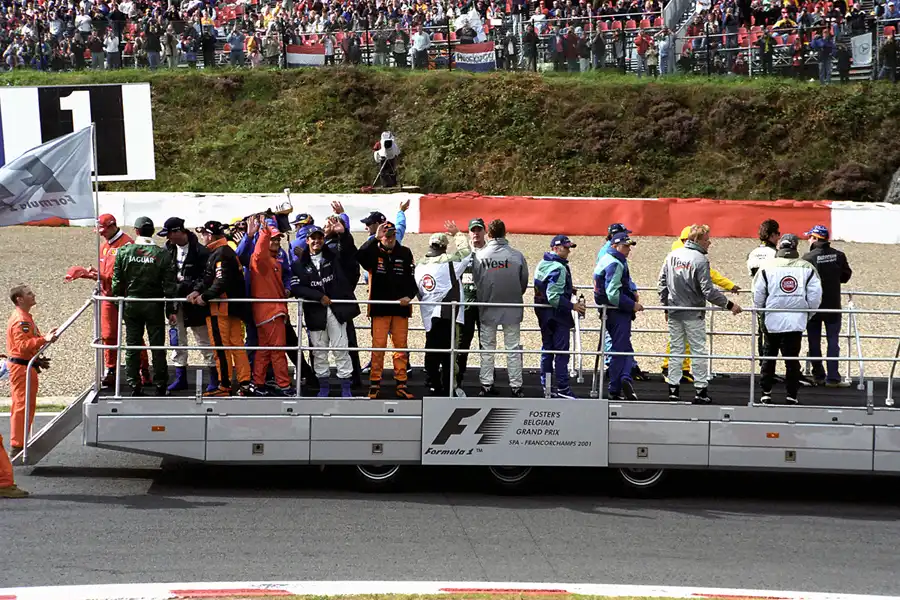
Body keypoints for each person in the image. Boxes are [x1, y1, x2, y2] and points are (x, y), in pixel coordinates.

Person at [658, 224, 743, 404]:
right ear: (697, 240)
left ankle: (673, 390)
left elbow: (662, 283)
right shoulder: (700, 260)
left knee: (676, 350)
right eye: (707, 240)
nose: (710, 243)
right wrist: (729, 305)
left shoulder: (671, 255)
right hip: (694, 312)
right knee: (698, 352)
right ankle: (700, 390)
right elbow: (708, 291)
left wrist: (665, 306)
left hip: (674, 311)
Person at [66, 213, 150, 388]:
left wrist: (98, 275)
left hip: (126, 296)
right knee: (108, 335)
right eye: (100, 230)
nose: (101, 233)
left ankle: (144, 370)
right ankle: (111, 370)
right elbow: (106, 274)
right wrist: (89, 274)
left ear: (113, 226)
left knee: (134, 336)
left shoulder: (127, 245)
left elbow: (126, 275)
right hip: (108, 296)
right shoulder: (104, 246)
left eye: (103, 229)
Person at [291, 218, 360, 397]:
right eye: (313, 238)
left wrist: (343, 234)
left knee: (341, 349)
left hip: (336, 312)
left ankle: (346, 388)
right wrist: (319, 296)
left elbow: (348, 254)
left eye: (320, 238)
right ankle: (323, 387)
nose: (317, 241)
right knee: (319, 352)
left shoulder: (333, 257)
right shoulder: (299, 264)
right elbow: (296, 287)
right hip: (315, 313)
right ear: (307, 240)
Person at [187, 221, 255, 397]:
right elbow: (210, 278)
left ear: (210, 235)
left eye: (204, 234)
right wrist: (197, 290)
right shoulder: (224, 251)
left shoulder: (221, 253)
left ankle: (224, 386)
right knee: (237, 346)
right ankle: (245, 383)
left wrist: (204, 296)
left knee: (221, 348)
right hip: (233, 309)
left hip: (221, 309)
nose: (203, 237)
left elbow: (220, 281)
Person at [111, 217, 178, 396]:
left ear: (136, 231)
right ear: (152, 232)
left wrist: (119, 303)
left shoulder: (124, 251)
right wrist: (171, 309)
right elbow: (170, 285)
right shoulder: (162, 254)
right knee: (157, 346)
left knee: (132, 345)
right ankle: (160, 385)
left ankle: (134, 384)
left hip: (132, 304)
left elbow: (117, 282)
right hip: (155, 305)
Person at [753, 234, 822, 404]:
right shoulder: (807, 267)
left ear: (779, 247)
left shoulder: (766, 266)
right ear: (795, 247)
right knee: (792, 360)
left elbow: (758, 294)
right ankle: (792, 395)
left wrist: (762, 312)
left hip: (772, 321)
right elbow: (815, 296)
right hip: (795, 322)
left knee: (769, 358)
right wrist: (807, 314)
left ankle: (766, 393)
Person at [356, 220, 418, 400]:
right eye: (386, 235)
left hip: (400, 308)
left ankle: (401, 383)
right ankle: (375, 383)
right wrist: (373, 239)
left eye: (392, 235)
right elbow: (358, 256)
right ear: (381, 236)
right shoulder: (373, 252)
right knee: (378, 347)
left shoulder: (405, 253)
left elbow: (414, 280)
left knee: (400, 348)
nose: (389, 239)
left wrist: (410, 296)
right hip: (379, 308)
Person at [157, 217, 215, 393]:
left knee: (204, 340)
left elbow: (207, 276)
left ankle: (214, 378)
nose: (168, 239)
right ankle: (180, 377)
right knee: (176, 339)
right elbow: (164, 272)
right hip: (175, 302)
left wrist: (193, 288)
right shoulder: (167, 249)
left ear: (178, 232)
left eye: (170, 234)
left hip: (195, 303)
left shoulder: (201, 251)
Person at [472, 219, 529, 398]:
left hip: (488, 308)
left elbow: (476, 281)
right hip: (511, 308)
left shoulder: (480, 256)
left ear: (488, 234)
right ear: (505, 233)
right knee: (513, 348)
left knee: (487, 348)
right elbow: (523, 283)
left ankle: (486, 384)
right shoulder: (517, 256)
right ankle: (516, 386)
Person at [414, 223, 471, 395]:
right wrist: (458, 234)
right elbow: (467, 253)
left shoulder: (419, 266)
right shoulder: (450, 262)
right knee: (450, 354)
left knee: (431, 351)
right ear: (445, 247)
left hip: (428, 316)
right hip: (449, 315)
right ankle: (449, 388)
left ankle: (433, 383)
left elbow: (418, 292)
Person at [6, 285, 58, 458]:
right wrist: (44, 339)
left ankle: (20, 443)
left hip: (25, 366)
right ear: (19, 299)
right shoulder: (22, 320)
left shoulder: (25, 317)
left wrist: (43, 340)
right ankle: (18, 445)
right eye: (29, 293)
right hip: (21, 367)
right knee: (22, 406)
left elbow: (27, 342)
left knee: (25, 405)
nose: (33, 294)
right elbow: (21, 346)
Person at [595, 223, 649, 381]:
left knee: (620, 342)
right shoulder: (612, 258)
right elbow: (613, 289)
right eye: (625, 239)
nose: (629, 247)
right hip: (616, 308)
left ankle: (627, 369)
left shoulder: (610, 254)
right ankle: (617, 372)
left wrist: (632, 290)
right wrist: (631, 303)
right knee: (616, 341)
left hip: (615, 305)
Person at [534, 235, 585, 400]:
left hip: (543, 314)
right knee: (562, 353)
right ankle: (563, 387)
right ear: (555, 248)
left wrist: (569, 289)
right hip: (558, 316)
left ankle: (546, 386)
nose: (569, 251)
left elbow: (545, 286)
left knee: (547, 350)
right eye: (566, 247)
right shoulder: (560, 268)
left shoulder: (542, 263)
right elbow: (554, 296)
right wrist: (573, 306)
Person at [802, 224, 852, 387]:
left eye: (810, 237)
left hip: (814, 306)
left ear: (816, 239)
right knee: (833, 341)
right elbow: (846, 276)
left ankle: (819, 376)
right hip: (833, 305)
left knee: (813, 341)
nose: (808, 239)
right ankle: (833, 378)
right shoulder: (839, 255)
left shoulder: (808, 258)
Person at [248, 215, 292, 395]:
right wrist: (264, 233)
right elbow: (258, 253)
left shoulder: (274, 259)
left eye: (277, 238)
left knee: (264, 350)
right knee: (278, 350)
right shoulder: (262, 260)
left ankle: (258, 383)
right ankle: (285, 386)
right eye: (272, 239)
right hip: (271, 312)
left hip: (268, 312)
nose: (276, 241)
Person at [455, 218, 487, 394]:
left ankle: (487, 383)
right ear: (469, 233)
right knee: (462, 345)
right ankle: (457, 381)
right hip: (466, 305)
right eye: (473, 230)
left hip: (484, 305)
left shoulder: (491, 252)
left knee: (486, 345)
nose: (476, 233)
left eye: (479, 230)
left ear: (485, 232)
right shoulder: (462, 253)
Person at [746, 218, 781, 371]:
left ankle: (763, 366)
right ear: (772, 235)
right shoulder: (776, 254)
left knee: (762, 333)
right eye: (778, 233)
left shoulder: (752, 253)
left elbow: (752, 275)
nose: (779, 237)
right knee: (777, 335)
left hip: (758, 298)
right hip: (774, 298)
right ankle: (770, 368)